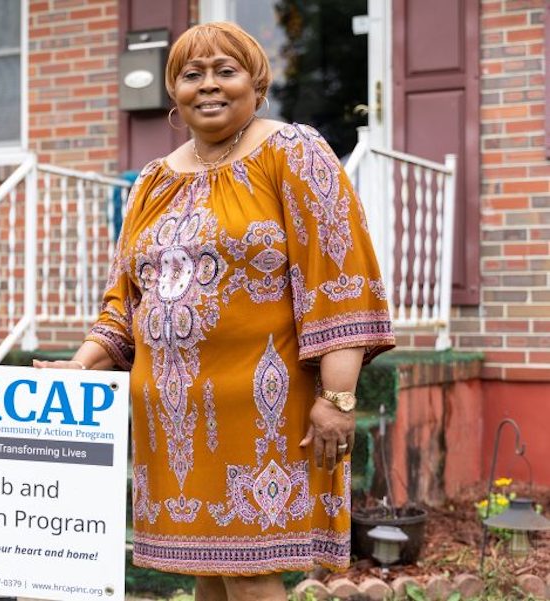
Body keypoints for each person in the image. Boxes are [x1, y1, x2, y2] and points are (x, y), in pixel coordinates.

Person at [35, 21, 394, 601]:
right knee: (211, 570)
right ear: (173, 92)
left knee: (250, 573)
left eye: (225, 72)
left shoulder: (292, 152)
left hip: (263, 409)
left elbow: (337, 274)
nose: (208, 86)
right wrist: (80, 364)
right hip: (172, 411)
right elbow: (125, 300)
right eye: (190, 74)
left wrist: (338, 397)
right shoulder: (152, 182)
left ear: (257, 84)